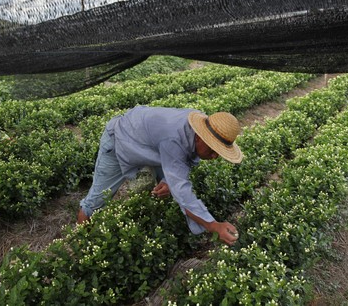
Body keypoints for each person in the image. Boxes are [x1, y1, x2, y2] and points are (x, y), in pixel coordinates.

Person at [77, 105, 243, 246]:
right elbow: (182, 192)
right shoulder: (174, 139)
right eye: (212, 150)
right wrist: (214, 226)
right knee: (94, 202)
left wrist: (167, 181)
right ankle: (82, 246)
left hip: (150, 143)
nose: (214, 156)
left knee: (169, 183)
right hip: (119, 139)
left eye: (218, 152)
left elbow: (185, 160)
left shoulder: (202, 126)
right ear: (200, 138)